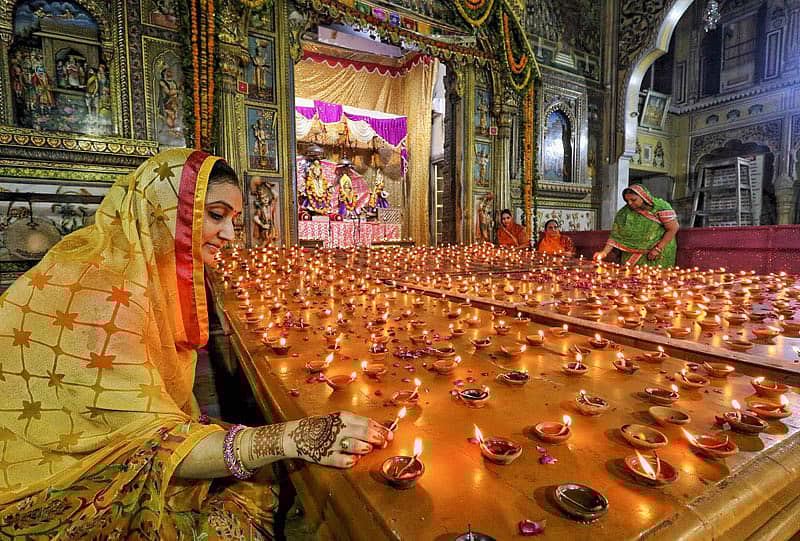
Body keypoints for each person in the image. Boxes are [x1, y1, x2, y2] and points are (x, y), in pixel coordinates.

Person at [0, 149, 391, 538]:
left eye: (233, 219)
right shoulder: (97, 295)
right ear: (163, 210)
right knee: (262, 487)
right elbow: (149, 446)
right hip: (53, 476)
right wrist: (292, 436)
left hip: (128, 439)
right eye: (216, 215)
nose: (229, 234)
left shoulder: (136, 269)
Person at [593, 184, 678, 268]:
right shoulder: (624, 213)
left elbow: (673, 228)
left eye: (633, 200)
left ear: (644, 197)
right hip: (630, 253)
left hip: (656, 253)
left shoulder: (660, 207)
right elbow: (616, 236)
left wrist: (657, 249)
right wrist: (604, 252)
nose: (630, 203)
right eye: (627, 200)